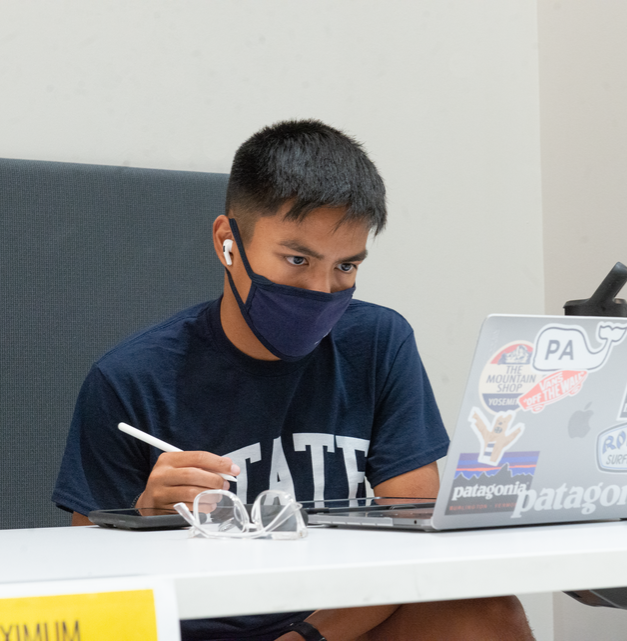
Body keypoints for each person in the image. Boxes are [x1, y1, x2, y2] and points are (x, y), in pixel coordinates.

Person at [52, 120, 534, 641]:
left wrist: (306, 637)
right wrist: (144, 519)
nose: (321, 289)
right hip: (200, 628)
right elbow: (90, 590)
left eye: (346, 266)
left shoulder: (378, 342)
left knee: (485, 611)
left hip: (337, 622)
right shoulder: (130, 379)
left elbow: (413, 542)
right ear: (227, 243)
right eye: (297, 259)